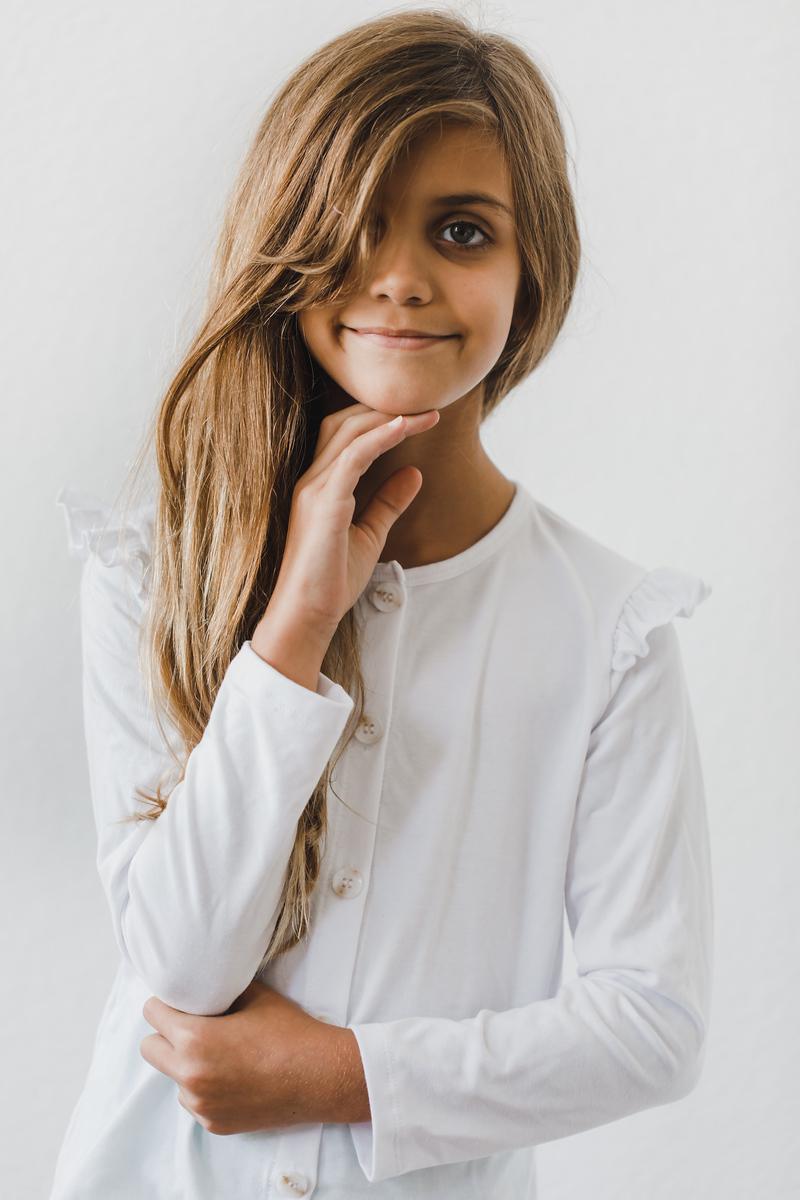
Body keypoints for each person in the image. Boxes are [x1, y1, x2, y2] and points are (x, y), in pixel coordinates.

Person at [50, 9, 714, 1199]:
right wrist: (292, 631)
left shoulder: (604, 633)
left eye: (461, 231)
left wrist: (342, 1077)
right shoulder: (148, 571)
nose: (398, 277)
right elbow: (183, 962)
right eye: (355, 227)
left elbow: (649, 1024)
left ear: (533, 268)